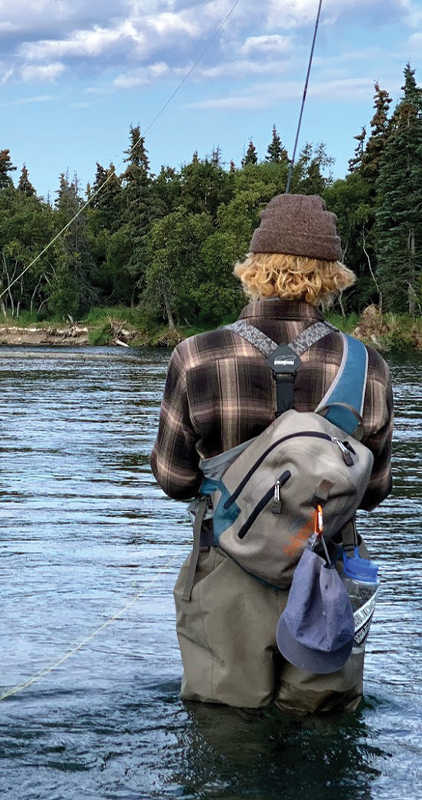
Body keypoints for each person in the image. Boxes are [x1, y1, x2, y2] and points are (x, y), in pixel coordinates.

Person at [150, 193, 393, 713]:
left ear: (253, 269)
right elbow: (373, 491)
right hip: (329, 569)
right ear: (332, 275)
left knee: (227, 734)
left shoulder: (195, 356)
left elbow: (172, 478)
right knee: (325, 736)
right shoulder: (368, 364)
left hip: (228, 567)